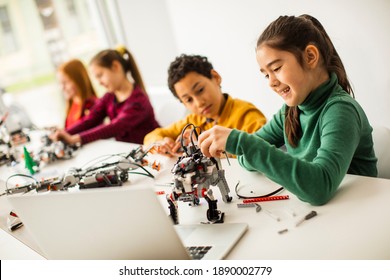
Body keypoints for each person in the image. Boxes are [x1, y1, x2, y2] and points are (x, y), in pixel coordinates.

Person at [198, 15, 377, 206]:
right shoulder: (290, 111)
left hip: (358, 211)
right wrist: (245, 146)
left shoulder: (341, 111)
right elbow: (245, 157)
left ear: (310, 56)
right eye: (266, 74)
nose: (271, 82)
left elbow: (320, 188)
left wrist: (244, 143)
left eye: (276, 68)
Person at [143, 54, 267, 156]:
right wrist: (161, 143)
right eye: (189, 100)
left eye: (200, 90)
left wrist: (211, 147)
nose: (199, 103)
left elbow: (262, 153)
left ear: (215, 77)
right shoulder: (194, 120)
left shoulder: (247, 115)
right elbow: (150, 136)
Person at [51, 46, 160, 145]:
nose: (99, 82)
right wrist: (63, 133)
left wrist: (76, 139)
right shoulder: (109, 97)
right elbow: (91, 119)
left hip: (152, 155)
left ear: (116, 66)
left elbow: (114, 127)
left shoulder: (138, 101)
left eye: (100, 75)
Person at [57, 59, 98, 128]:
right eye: (60, 83)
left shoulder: (92, 105)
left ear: (78, 80)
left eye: (65, 82)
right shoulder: (72, 103)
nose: (62, 88)